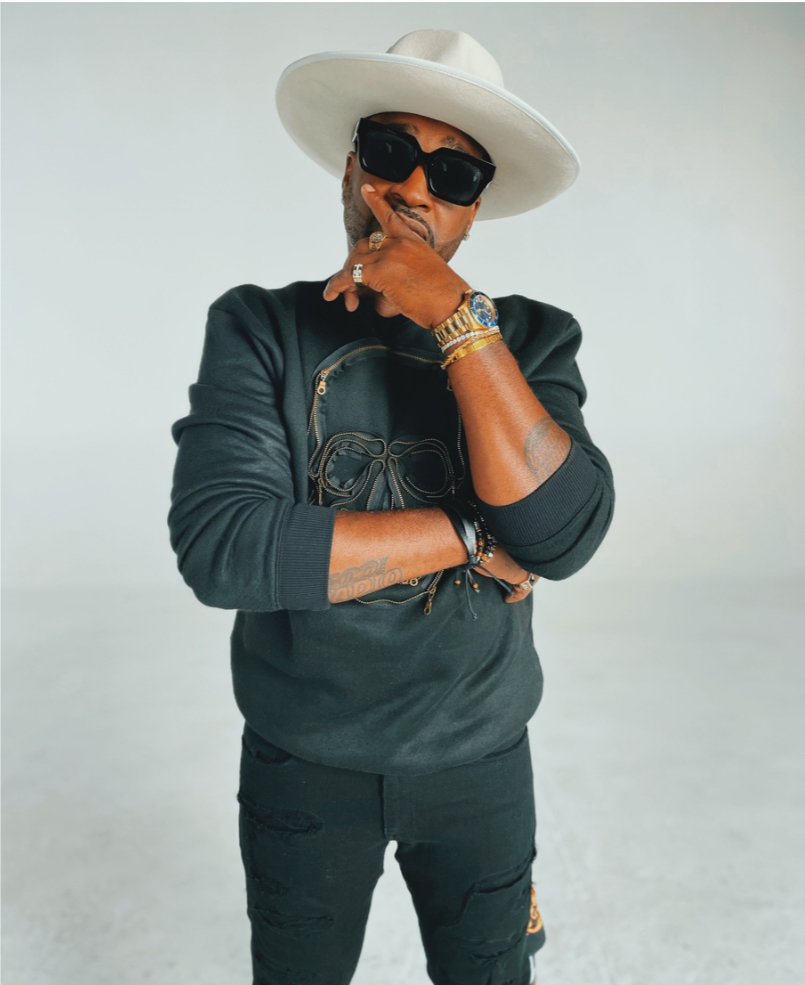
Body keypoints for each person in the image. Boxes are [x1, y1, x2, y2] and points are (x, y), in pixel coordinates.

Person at [168, 28, 615, 985]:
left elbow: (562, 532)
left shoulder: (532, 340)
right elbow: (225, 548)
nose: (415, 188)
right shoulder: (260, 327)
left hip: (480, 757)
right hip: (303, 758)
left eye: (451, 173)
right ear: (349, 168)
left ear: (475, 207)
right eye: (388, 153)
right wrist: (466, 532)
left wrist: (457, 316)